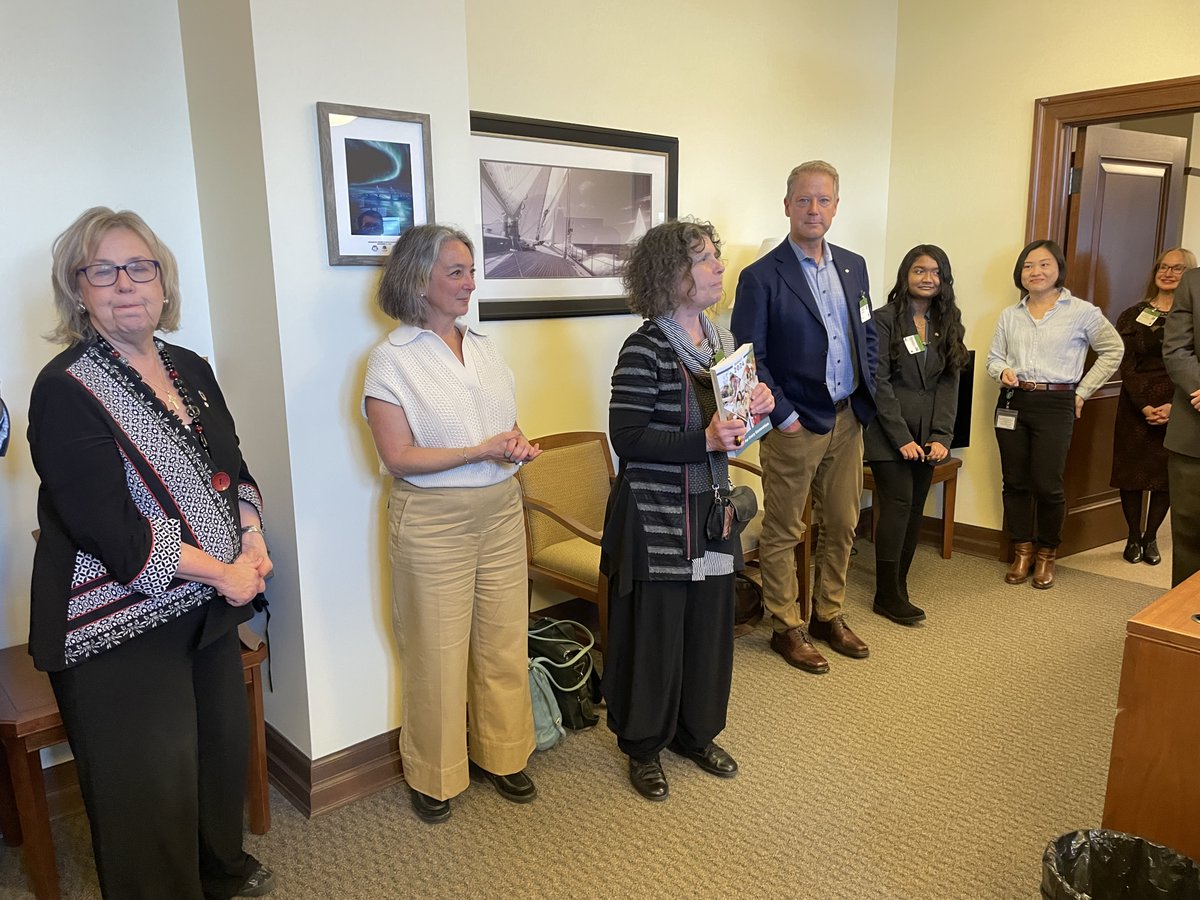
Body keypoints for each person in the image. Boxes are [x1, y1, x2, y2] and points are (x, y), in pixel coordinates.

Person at [27, 207, 275, 899]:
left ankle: (218, 873)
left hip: (207, 606)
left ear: (163, 282)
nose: (125, 283)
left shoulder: (189, 366)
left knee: (216, 760)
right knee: (148, 790)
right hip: (115, 625)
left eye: (140, 267)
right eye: (102, 270)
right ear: (78, 290)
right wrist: (225, 571)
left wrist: (250, 539)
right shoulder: (65, 387)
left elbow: (234, 471)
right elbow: (117, 535)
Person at [363, 224, 539, 824]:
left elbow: (497, 425)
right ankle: (434, 775)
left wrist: (513, 446)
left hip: (499, 509)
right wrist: (479, 451)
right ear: (419, 280)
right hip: (433, 519)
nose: (470, 283)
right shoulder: (391, 360)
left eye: (470, 270)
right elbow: (399, 457)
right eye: (456, 272)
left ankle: (504, 753)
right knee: (435, 652)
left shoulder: (485, 347)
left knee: (503, 639)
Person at [601, 218, 774, 801]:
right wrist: (702, 441)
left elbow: (737, 435)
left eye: (715, 258)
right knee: (656, 632)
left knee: (707, 628)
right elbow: (626, 438)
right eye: (705, 260)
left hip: (711, 508)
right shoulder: (644, 347)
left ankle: (695, 734)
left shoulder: (722, 346)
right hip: (656, 513)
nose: (719, 268)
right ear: (672, 276)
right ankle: (644, 745)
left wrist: (759, 410)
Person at [732, 160, 877, 674]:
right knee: (784, 529)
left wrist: (869, 394)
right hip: (794, 422)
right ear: (787, 204)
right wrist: (784, 416)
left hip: (847, 417)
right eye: (804, 199)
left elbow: (866, 335)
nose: (813, 209)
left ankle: (827, 615)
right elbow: (750, 358)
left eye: (824, 200)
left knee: (843, 521)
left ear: (836, 207)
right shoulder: (761, 276)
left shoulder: (854, 266)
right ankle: (786, 625)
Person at [986, 239, 1122, 589]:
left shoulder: (1082, 312)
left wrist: (1083, 392)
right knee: (1014, 481)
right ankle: (1022, 550)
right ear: (1021, 273)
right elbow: (993, 358)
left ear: (1058, 269)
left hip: (1057, 403)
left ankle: (1047, 553)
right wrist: (1002, 372)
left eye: (1044, 264)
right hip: (1013, 402)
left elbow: (1113, 349)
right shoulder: (1009, 315)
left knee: (1047, 483)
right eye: (1029, 266)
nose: (1036, 272)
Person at [864, 245, 968, 624]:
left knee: (914, 510)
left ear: (944, 280)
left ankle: (899, 586)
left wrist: (941, 436)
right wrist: (901, 438)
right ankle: (886, 593)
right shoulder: (884, 319)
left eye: (936, 272)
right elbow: (878, 383)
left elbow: (948, 383)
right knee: (899, 504)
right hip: (888, 432)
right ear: (905, 275)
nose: (928, 278)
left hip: (928, 437)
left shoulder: (948, 320)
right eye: (919, 270)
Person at [1110, 248, 1196, 566]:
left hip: (1180, 405)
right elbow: (1127, 364)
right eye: (1163, 266)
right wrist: (1145, 405)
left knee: (1164, 477)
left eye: (1178, 268)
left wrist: (1174, 406)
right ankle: (1133, 536)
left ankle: (1151, 538)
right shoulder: (1132, 315)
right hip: (1135, 405)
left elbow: (1192, 364)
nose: (1168, 272)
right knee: (1131, 475)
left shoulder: (1194, 319)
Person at [1163, 266, 1200, 586]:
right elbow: (1176, 349)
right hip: (1193, 431)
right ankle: (1184, 624)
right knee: (1189, 534)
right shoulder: (1193, 281)